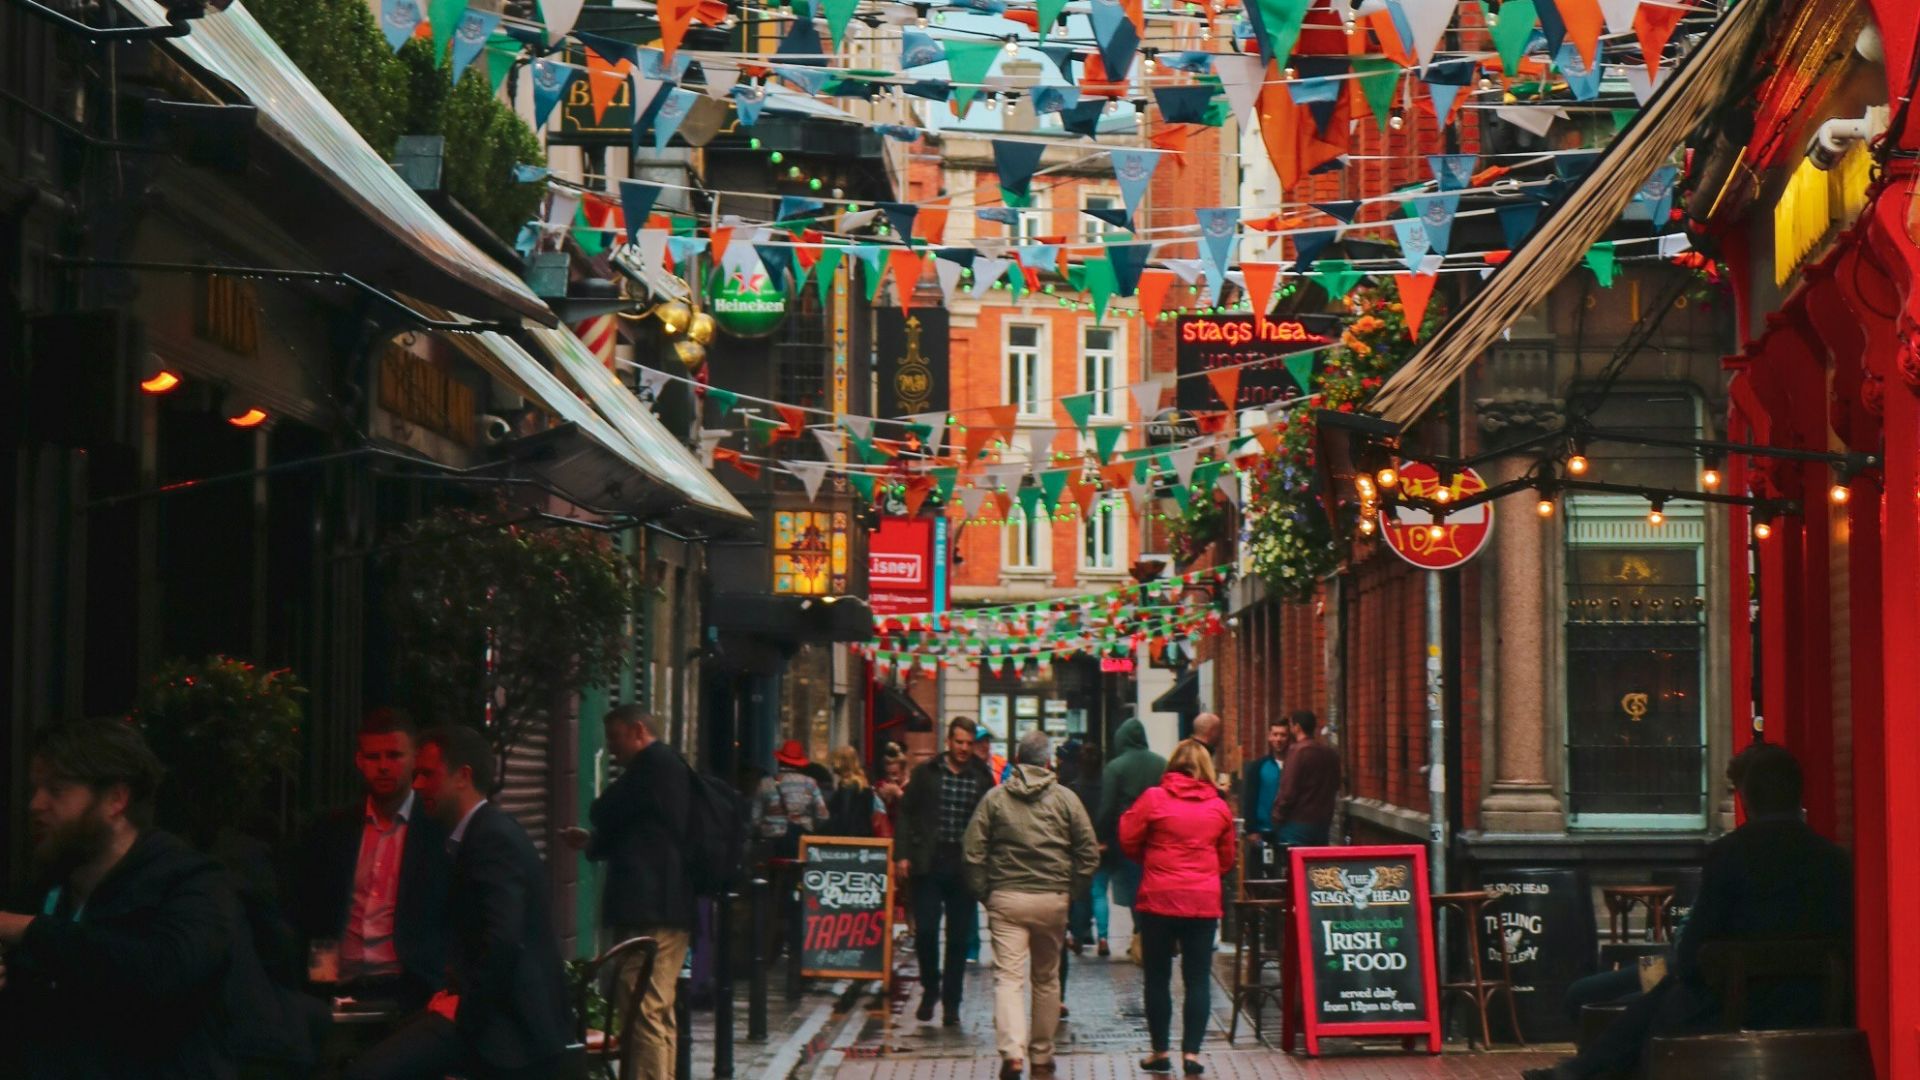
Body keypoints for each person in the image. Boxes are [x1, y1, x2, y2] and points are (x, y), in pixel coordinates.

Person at [1524, 743, 1851, 1080]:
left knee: (1659, 1004)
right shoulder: (1836, 860)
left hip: (1735, 1003)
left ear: (1745, 800)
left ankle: (1581, 1072)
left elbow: (1694, 949)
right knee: (1658, 998)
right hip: (1816, 1003)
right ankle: (1582, 1072)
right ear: (1798, 796)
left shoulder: (1730, 853)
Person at [0, 719, 236, 1080]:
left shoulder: (189, 880)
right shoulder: (45, 885)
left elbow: (161, 973)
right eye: (36, 789)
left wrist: (29, 930)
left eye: (56, 790)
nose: (35, 804)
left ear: (115, 800)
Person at [348, 726, 570, 1080]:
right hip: (493, 1016)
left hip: (508, 1032)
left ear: (462, 776)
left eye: (427, 774)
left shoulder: (491, 837)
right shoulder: (477, 834)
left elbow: (502, 940)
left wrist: (463, 1007)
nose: (416, 785)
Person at [559, 707, 690, 1080]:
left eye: (616, 737)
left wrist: (598, 832)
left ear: (637, 731)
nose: (612, 748)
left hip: (649, 909)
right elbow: (642, 833)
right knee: (656, 1010)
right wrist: (594, 844)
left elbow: (604, 808)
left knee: (641, 1007)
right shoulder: (669, 769)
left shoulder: (651, 765)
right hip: (668, 906)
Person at [963, 730, 1101, 1080]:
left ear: (1017, 760)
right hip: (1052, 898)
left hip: (1007, 897)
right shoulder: (1066, 800)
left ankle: (1012, 1053)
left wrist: (985, 892)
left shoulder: (995, 799)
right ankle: (1041, 1053)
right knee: (1046, 977)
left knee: (1008, 978)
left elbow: (973, 850)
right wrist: (1073, 893)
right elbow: (1087, 852)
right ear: (1047, 762)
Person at [294, 708, 450, 1010]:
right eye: (374, 757)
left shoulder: (437, 831)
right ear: (359, 761)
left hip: (410, 990)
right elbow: (313, 912)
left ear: (414, 760)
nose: (383, 767)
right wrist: (317, 984)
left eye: (394, 756)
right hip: (337, 987)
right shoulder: (331, 831)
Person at [1121, 739, 1237, 1076]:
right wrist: (1204, 875)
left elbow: (1128, 836)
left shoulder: (1154, 799)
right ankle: (1192, 1055)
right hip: (1202, 903)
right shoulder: (1218, 807)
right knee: (1198, 978)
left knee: (1157, 977)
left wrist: (1150, 860)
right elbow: (1227, 857)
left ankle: (1160, 1051)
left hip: (1158, 899)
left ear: (1172, 765)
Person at [897, 717, 995, 1024]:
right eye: (959, 742)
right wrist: (902, 855)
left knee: (957, 938)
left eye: (969, 743)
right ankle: (930, 987)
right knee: (925, 931)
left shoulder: (982, 777)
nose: (964, 749)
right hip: (929, 861)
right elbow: (906, 812)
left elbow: (992, 819)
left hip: (963, 865)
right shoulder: (926, 774)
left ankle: (952, 1003)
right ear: (948, 742)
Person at [1098, 716, 1166, 962]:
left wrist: (1100, 836)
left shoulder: (1115, 767)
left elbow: (1107, 807)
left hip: (1127, 838)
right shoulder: (1162, 764)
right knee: (1153, 887)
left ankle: (1142, 937)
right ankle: (1150, 937)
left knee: (1134, 889)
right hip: (1158, 836)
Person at [1065, 741, 1112, 956]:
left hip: (1080, 848)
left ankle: (1077, 936)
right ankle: (1103, 938)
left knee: (1080, 895)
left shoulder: (1074, 789)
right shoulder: (1106, 788)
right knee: (1100, 893)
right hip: (1102, 846)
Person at [1270, 710, 1340, 848]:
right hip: (1322, 823)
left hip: (1297, 823)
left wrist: (1277, 816)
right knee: (1316, 867)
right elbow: (1335, 785)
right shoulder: (1330, 754)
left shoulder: (1297, 752)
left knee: (1293, 865)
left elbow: (1288, 791)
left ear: (1297, 727)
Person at [752, 740, 830, 859]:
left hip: (771, 841)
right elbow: (823, 815)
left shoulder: (765, 783)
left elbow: (755, 818)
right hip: (800, 841)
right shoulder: (810, 783)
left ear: (780, 760)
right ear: (800, 763)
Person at [1239, 717, 1292, 856]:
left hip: (1290, 832)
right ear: (1269, 737)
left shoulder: (1295, 766)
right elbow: (1249, 799)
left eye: (1283, 735)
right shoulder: (1258, 767)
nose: (1278, 739)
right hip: (1263, 832)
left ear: (1289, 737)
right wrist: (1251, 830)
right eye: (1275, 734)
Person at [822, 745, 892, 837]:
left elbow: (845, 816)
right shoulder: (863, 783)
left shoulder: (847, 786)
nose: (832, 764)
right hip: (864, 836)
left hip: (848, 839)